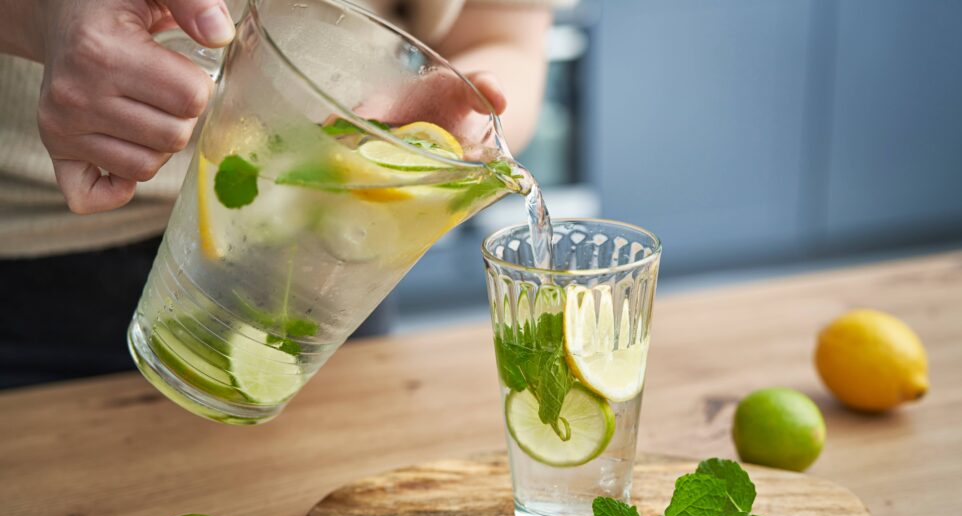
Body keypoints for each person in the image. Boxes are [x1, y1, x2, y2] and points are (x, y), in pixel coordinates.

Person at [0, 0, 557, 388]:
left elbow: (504, 38)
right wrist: (40, 18)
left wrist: (455, 115)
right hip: (28, 284)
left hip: (330, 264)